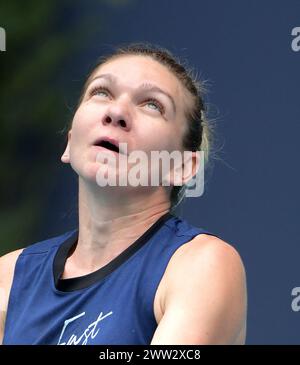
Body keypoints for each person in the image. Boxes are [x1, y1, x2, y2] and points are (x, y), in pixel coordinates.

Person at [0, 43, 247, 345]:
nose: (116, 112)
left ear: (183, 165)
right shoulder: (9, 277)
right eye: (101, 92)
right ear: (70, 141)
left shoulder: (201, 264)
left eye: (152, 104)